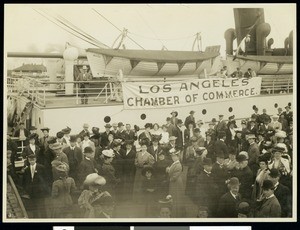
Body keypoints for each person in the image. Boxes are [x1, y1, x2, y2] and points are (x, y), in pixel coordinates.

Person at [22, 154, 49, 218]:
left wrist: (43, 188)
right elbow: (24, 181)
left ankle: (44, 219)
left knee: (42, 207)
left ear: (35, 159)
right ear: (28, 160)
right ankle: (35, 219)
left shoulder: (41, 167)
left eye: (33, 160)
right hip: (32, 192)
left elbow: (46, 179)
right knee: (34, 208)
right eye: (30, 160)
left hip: (40, 191)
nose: (31, 161)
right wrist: (27, 190)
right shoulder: (27, 170)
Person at [166, 148, 186, 217]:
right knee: (174, 197)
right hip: (175, 182)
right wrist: (169, 170)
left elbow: (174, 177)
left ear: (178, 157)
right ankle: (174, 212)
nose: (173, 158)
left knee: (176, 197)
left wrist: (169, 173)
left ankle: (177, 213)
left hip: (176, 183)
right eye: (172, 156)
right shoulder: (174, 163)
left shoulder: (178, 165)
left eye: (174, 156)